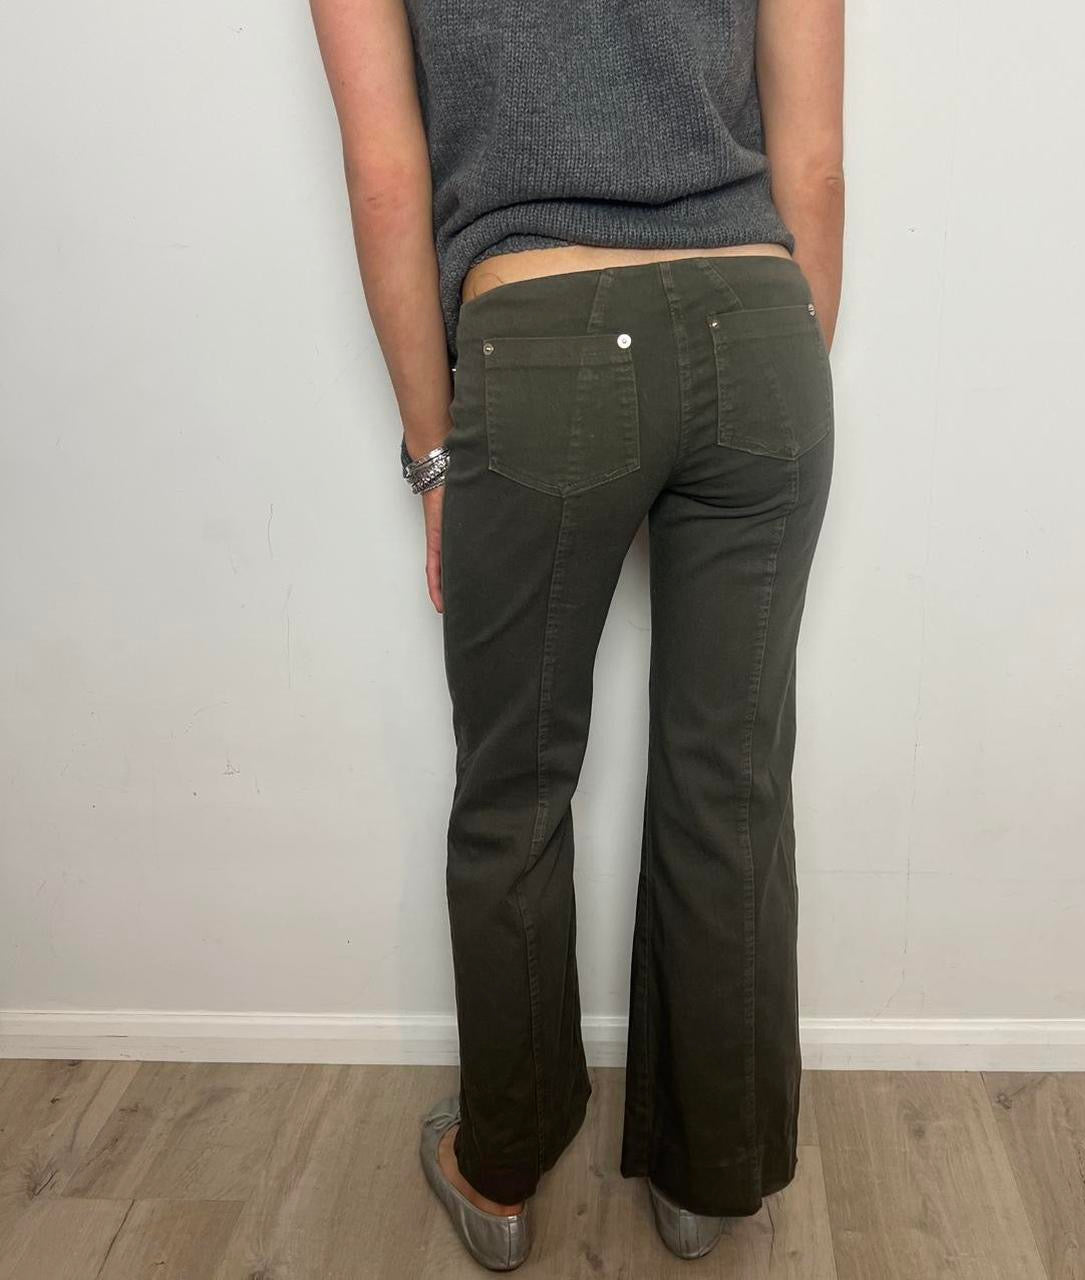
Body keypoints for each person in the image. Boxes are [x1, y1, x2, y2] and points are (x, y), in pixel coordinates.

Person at [309, 0, 844, 1268]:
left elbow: (386, 179)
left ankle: (498, 1169)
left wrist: (436, 455)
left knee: (514, 788)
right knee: (729, 784)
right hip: (760, 327)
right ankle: (708, 1177)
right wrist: (753, 386)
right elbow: (813, 163)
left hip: (541, 339)